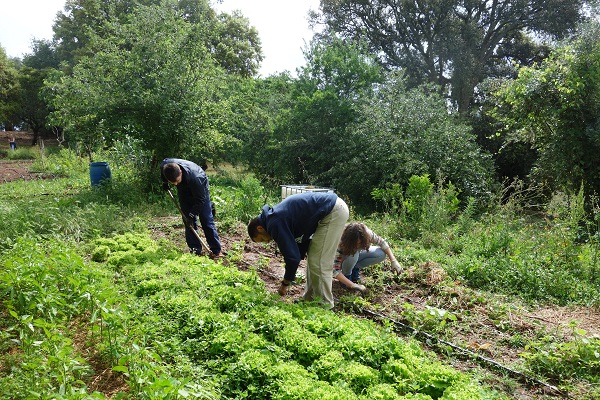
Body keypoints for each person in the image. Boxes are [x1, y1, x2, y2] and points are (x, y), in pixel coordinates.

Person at [247, 191, 349, 308]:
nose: (267, 242)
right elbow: (299, 239)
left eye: (262, 239)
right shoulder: (274, 217)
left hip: (333, 211)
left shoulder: (274, 223)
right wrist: (298, 255)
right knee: (314, 259)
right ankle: (309, 300)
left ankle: (325, 305)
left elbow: (292, 257)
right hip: (331, 209)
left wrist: (285, 283)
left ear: (260, 228)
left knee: (320, 261)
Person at [160, 158, 222, 258]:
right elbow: (163, 170)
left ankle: (216, 250)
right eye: (172, 183)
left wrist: (192, 215)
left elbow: (200, 201)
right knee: (188, 223)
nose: (175, 184)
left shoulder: (197, 178)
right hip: (184, 191)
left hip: (200, 194)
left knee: (206, 220)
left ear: (180, 172)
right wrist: (165, 183)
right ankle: (195, 250)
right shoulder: (166, 166)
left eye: (176, 181)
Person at [333, 222, 402, 285]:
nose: (358, 245)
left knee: (381, 254)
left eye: (360, 243)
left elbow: (382, 242)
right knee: (353, 255)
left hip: (355, 256)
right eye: (356, 244)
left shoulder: (366, 233)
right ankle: (346, 276)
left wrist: (393, 260)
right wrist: (352, 285)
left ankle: (355, 269)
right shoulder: (340, 241)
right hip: (344, 258)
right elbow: (334, 269)